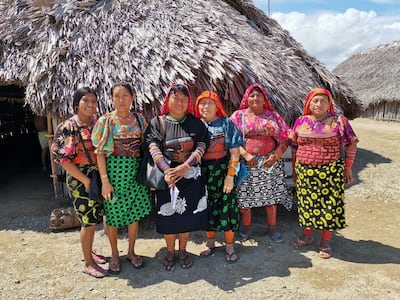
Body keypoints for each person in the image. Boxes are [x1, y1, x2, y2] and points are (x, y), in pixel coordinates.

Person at [144, 84, 209, 271]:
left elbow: (202, 145)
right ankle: (170, 251)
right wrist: (167, 171)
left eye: (184, 99)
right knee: (168, 215)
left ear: (189, 102)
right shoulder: (158, 122)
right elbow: (153, 147)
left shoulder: (196, 123)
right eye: (176, 98)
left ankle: (183, 250)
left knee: (187, 216)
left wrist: (186, 165)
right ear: (168, 100)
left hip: (190, 176)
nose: (180, 102)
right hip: (168, 179)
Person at [91, 83, 153, 274]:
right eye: (117, 96)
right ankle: (115, 254)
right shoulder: (106, 121)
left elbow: (148, 144)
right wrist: (105, 181)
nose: (121, 100)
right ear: (111, 99)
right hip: (114, 176)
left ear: (132, 97)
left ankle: (132, 252)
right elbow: (100, 153)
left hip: (136, 175)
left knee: (134, 215)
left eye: (125, 95)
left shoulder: (139, 119)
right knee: (112, 217)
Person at [290, 88, 358, 259]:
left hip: (330, 171)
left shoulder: (338, 121)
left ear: (329, 104)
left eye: (323, 101)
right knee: (306, 205)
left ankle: (325, 242)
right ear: (308, 104)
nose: (318, 104)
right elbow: (294, 147)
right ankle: (307, 235)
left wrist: (347, 167)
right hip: (305, 171)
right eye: (315, 100)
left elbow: (351, 143)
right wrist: (295, 169)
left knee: (328, 206)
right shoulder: (300, 121)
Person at [51, 87, 107, 278]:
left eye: (94, 101)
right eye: (86, 101)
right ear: (77, 103)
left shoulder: (95, 124)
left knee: (93, 217)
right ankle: (88, 263)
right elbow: (63, 159)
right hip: (80, 177)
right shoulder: (69, 127)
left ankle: (89, 252)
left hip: (96, 175)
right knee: (88, 221)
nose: (91, 105)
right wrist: (85, 180)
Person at [230, 83, 292, 243]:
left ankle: (272, 229)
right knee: (244, 200)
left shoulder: (273, 117)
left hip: (269, 163)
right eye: (252, 95)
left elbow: (286, 137)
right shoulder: (239, 116)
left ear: (264, 100)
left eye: (259, 95)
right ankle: (247, 229)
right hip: (246, 164)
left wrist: (276, 156)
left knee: (270, 199)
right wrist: (246, 154)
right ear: (247, 98)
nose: (255, 98)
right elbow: (231, 139)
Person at [194, 91, 242, 263]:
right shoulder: (195, 125)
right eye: (202, 103)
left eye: (209, 103)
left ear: (217, 106)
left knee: (227, 207)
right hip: (201, 173)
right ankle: (211, 242)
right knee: (206, 208)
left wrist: (230, 175)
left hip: (223, 171)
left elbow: (235, 151)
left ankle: (229, 245)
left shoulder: (226, 123)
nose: (205, 107)